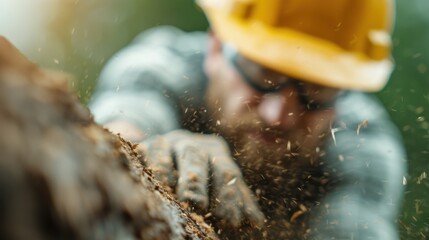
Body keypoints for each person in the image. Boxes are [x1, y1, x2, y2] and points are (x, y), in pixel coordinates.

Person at [89, 0, 407, 239]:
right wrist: (144, 150)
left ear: (344, 92)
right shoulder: (165, 66)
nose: (278, 115)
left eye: (316, 91)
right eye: (263, 75)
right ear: (215, 48)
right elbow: (118, 128)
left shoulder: (364, 149)